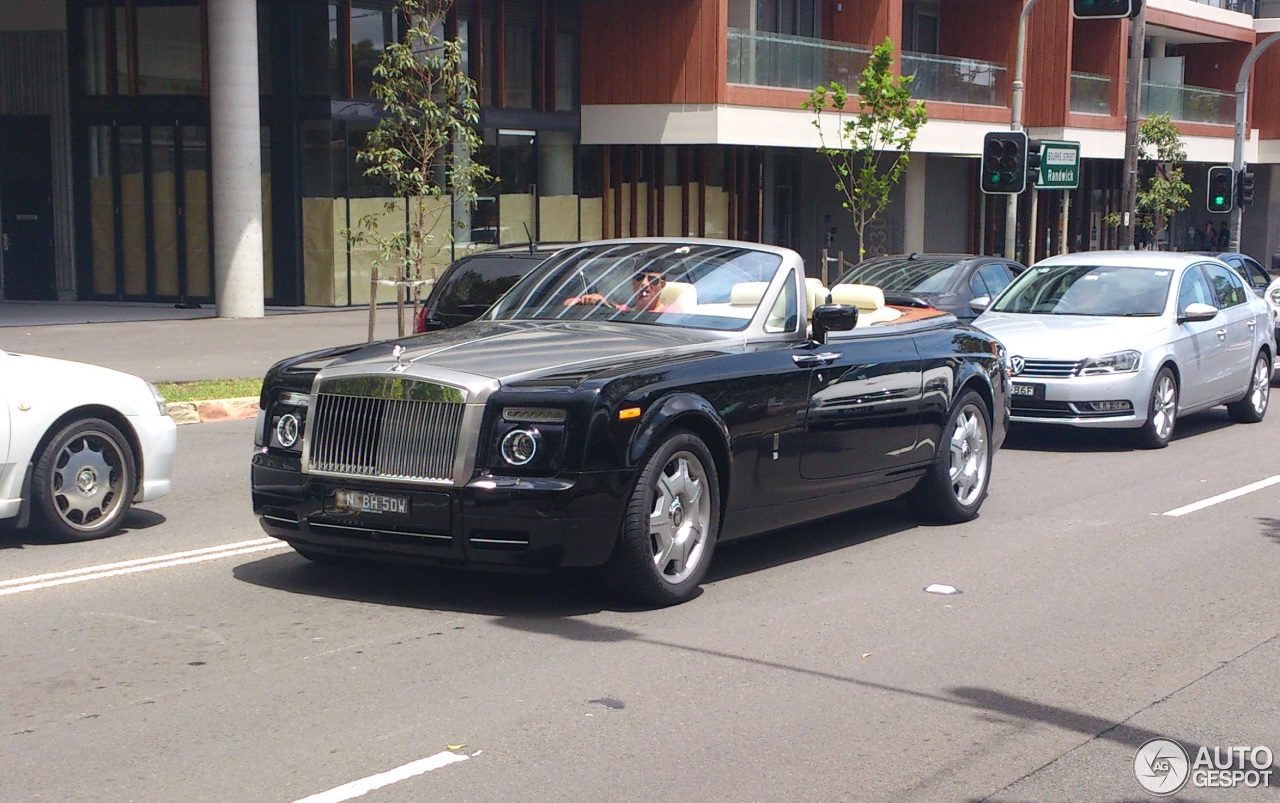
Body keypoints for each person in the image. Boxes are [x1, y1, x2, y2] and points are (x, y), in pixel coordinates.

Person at [564, 270, 668, 312]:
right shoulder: (623, 311)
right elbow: (567, 303)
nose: (644, 283)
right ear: (633, 282)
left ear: (662, 285)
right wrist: (593, 300)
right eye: (639, 277)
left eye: (652, 279)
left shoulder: (670, 316)